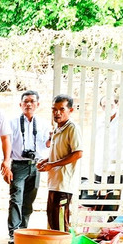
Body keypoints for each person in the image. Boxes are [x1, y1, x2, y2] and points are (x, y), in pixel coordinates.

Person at [7, 90, 51, 244]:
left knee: (29, 200)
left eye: (32, 101)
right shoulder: (12, 123)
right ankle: (14, 232)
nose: (29, 104)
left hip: (36, 165)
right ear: (20, 104)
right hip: (18, 164)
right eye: (26, 101)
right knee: (16, 199)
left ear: (38, 104)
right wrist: (6, 164)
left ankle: (23, 230)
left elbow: (46, 145)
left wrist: (51, 140)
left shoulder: (44, 124)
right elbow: (7, 145)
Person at [37, 94, 83, 232]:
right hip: (55, 182)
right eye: (54, 109)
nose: (57, 113)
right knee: (53, 220)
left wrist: (52, 165)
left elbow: (78, 153)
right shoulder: (57, 129)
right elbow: (59, 153)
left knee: (60, 224)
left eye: (62, 109)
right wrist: (46, 161)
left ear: (70, 110)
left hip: (64, 184)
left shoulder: (72, 128)